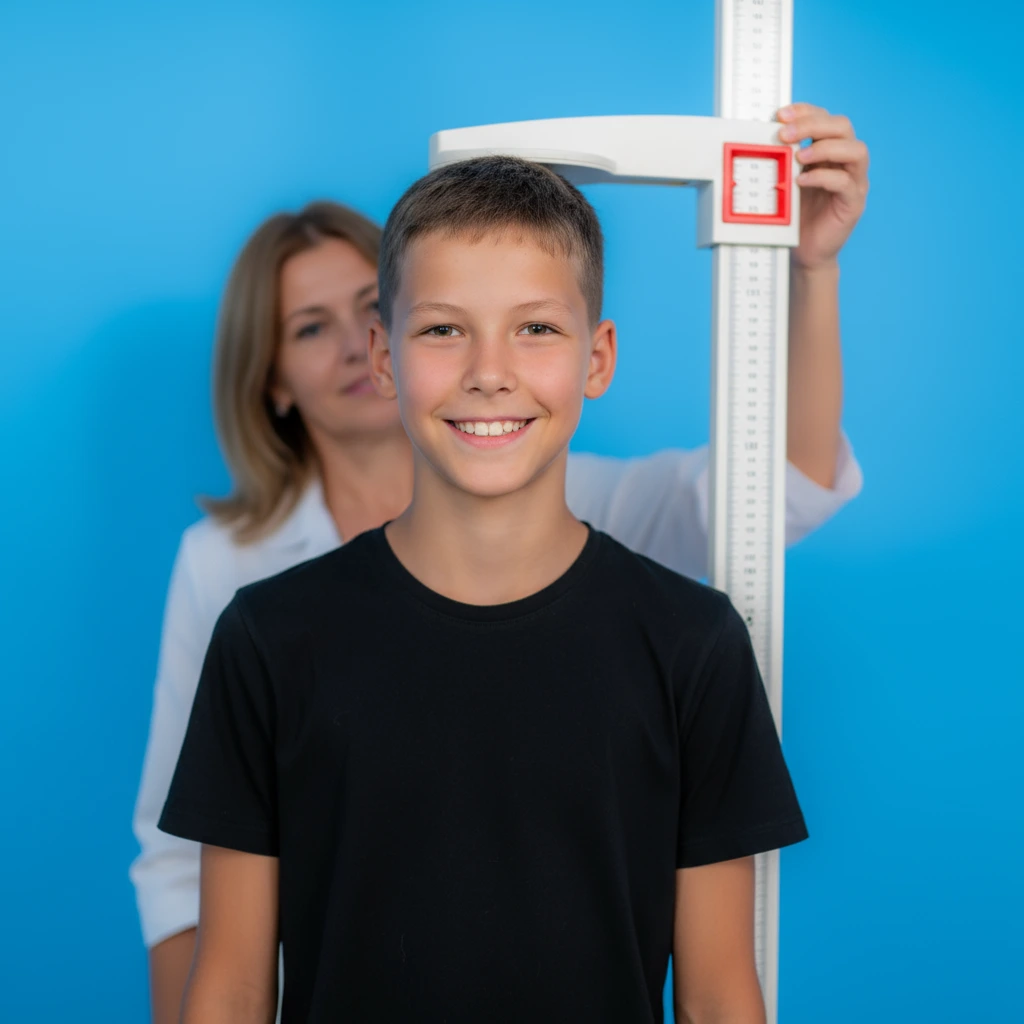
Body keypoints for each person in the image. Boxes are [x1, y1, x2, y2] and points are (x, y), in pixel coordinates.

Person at [133, 101, 868, 1022]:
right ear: (386, 356)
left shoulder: (690, 642)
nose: (489, 369)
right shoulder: (261, 624)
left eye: (535, 329)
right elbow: (227, 975)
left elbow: (723, 990)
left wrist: (811, 270)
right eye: (443, 329)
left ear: (596, 357)